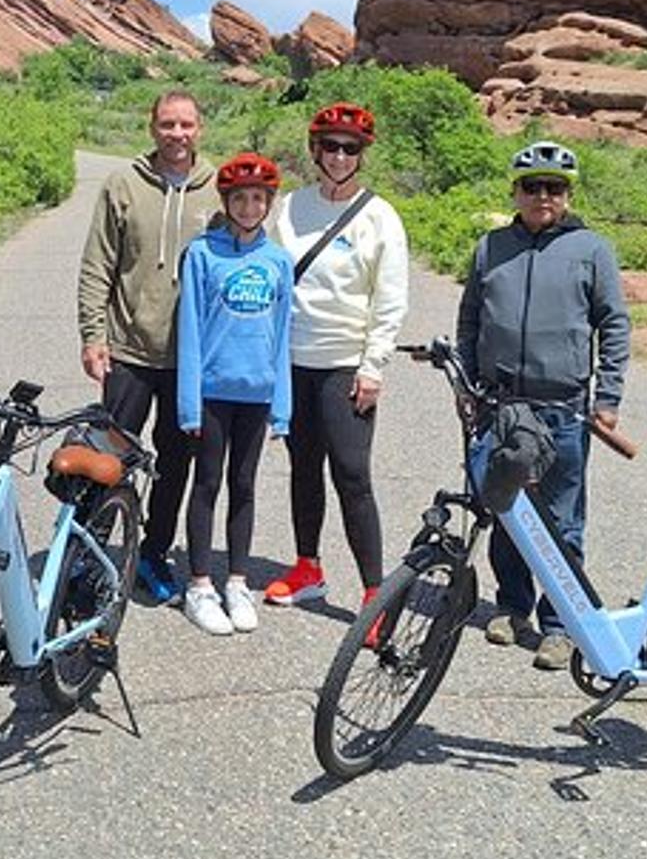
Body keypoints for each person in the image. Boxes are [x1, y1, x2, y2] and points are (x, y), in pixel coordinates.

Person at [455, 139, 630, 671]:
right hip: (501, 405)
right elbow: (470, 320)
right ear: (516, 191)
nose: (543, 196)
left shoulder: (592, 250)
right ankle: (513, 608)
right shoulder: (491, 247)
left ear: (567, 195)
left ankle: (562, 624)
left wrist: (609, 396)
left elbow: (614, 324)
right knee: (505, 509)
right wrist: (466, 381)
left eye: (554, 188)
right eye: (532, 186)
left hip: (564, 407)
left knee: (561, 520)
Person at [263, 103, 409, 621]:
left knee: (352, 475)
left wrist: (373, 366)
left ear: (362, 155)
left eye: (351, 148)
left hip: (346, 363)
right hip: (293, 363)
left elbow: (390, 300)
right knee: (304, 468)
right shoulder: (290, 207)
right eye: (331, 146)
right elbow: (270, 276)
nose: (340, 156)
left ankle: (375, 596)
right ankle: (308, 569)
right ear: (315, 150)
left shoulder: (380, 216)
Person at [77, 89, 220, 606]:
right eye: (167, 124)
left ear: (199, 128)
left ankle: (154, 553)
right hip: (130, 349)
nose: (177, 134)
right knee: (106, 457)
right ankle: (86, 555)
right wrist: (93, 334)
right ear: (151, 127)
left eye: (186, 125)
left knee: (175, 465)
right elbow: (98, 264)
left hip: (190, 360)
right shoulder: (123, 184)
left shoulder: (219, 190)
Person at [174, 153, 294, 636]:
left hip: (257, 393)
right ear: (226, 202)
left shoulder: (278, 261)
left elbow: (284, 334)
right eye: (240, 198)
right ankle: (200, 584)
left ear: (268, 204)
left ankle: (237, 582)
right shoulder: (203, 254)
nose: (248, 206)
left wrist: (281, 408)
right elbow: (190, 331)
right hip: (211, 392)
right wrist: (188, 404)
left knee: (244, 486)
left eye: (257, 198)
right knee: (206, 483)